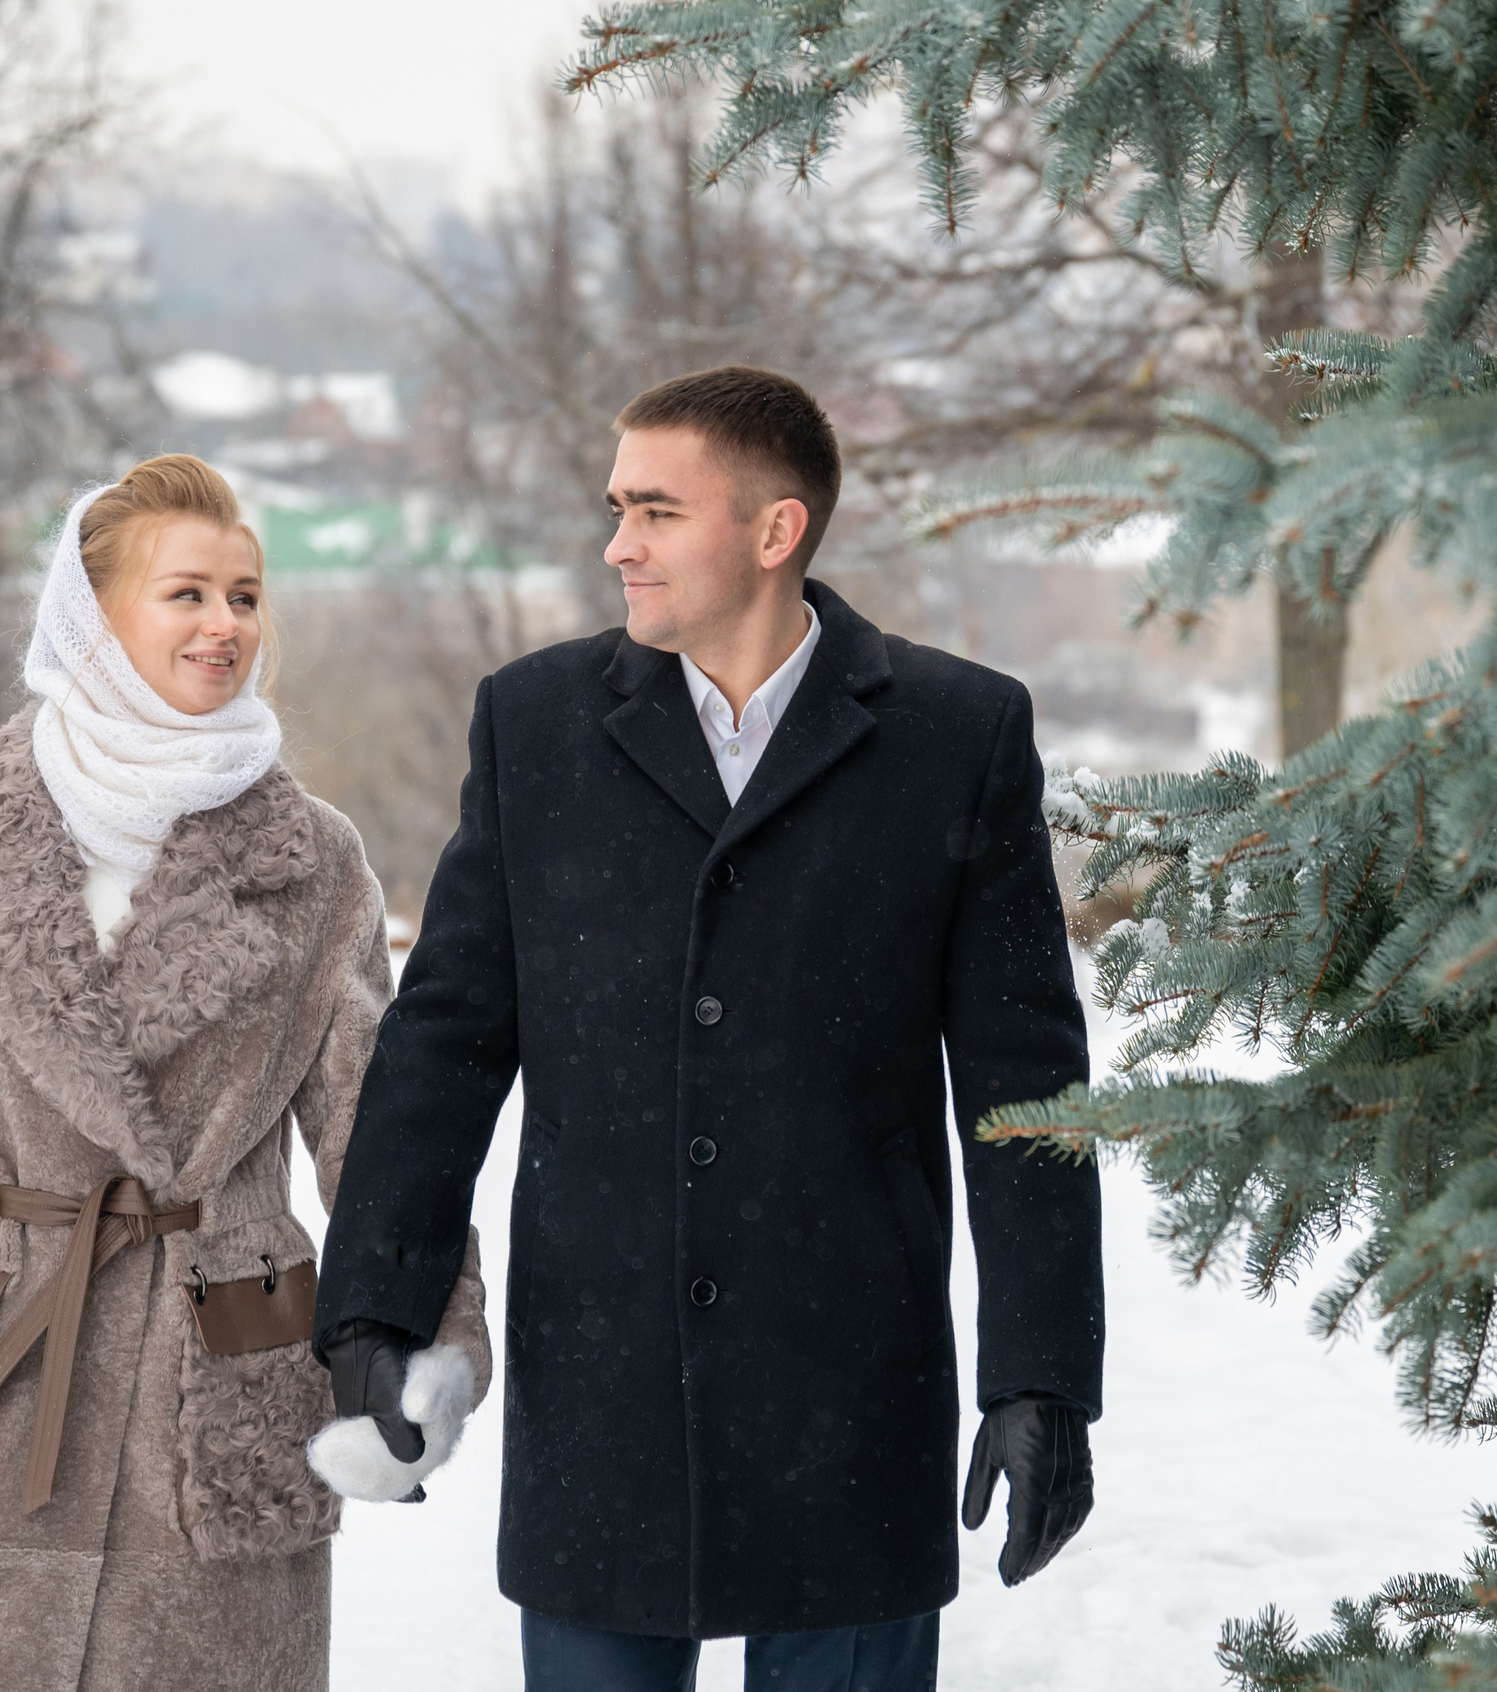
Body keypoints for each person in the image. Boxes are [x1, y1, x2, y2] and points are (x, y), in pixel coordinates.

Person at [313, 368, 1105, 1691]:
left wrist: (1042, 1375)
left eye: (656, 509)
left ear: (774, 529)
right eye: (617, 506)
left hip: (853, 1391)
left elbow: (1029, 1087)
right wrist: (374, 1310)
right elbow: (446, 1037)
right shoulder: (537, 726)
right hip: (601, 1406)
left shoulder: (959, 735)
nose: (617, 541)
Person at [0, 454, 491, 1692]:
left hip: (215, 1385)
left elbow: (378, 1146)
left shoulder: (312, 860)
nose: (225, 624)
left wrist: (431, 1342)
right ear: (94, 615)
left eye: (243, 595)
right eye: (186, 593)